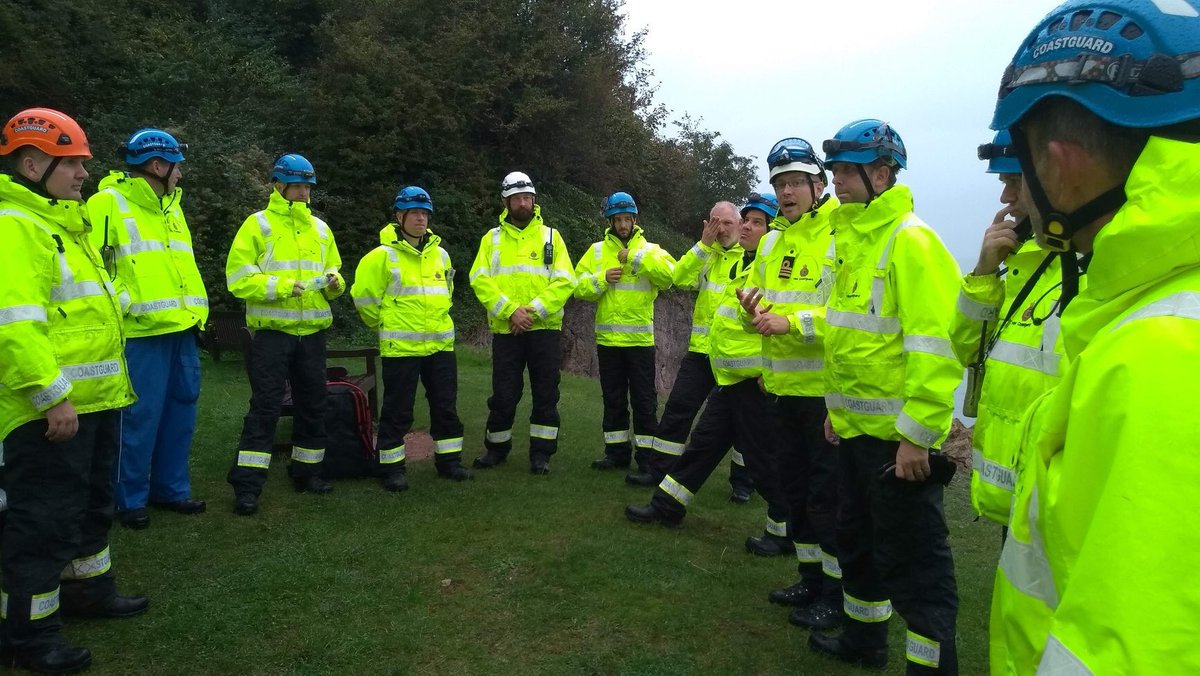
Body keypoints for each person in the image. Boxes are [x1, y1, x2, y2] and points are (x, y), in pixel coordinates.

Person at [987, 2, 1200, 672]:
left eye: (1022, 169)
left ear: (1061, 161)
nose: (1014, 199)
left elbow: (1128, 651)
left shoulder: (1160, 355)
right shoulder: (1157, 304)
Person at [808, 120, 962, 674]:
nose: (838, 183)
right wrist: (835, 410)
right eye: (837, 172)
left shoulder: (911, 241)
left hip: (899, 446)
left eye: (847, 172)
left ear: (881, 173)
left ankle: (930, 667)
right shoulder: (852, 240)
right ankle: (863, 641)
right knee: (858, 543)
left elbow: (936, 348)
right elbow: (847, 338)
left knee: (916, 566)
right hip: (853, 433)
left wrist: (917, 438)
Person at [0, 107, 148, 674]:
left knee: (89, 507)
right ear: (33, 162)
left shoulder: (65, 225)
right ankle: (29, 638)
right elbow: (14, 323)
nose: (85, 173)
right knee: (43, 522)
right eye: (74, 163)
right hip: (51, 413)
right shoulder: (17, 226)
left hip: (97, 403)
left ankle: (90, 591)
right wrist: (50, 395)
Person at [626, 194, 791, 553]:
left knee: (764, 459)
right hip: (727, 377)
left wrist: (768, 371)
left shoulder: (775, 269)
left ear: (773, 231)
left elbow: (780, 324)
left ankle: (786, 531)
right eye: (744, 220)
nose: (746, 226)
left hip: (752, 382)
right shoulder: (735, 262)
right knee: (702, 445)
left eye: (756, 222)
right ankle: (667, 506)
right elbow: (682, 281)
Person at [738, 137, 843, 626]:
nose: (787, 192)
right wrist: (752, 312)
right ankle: (809, 579)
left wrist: (792, 323)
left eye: (797, 182)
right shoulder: (774, 240)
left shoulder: (839, 235)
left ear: (818, 184)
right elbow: (760, 307)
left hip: (825, 395)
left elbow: (850, 316)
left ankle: (837, 595)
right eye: (780, 184)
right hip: (779, 390)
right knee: (795, 493)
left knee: (828, 502)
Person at [949, 129, 1075, 532]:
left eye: (1014, 182)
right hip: (1016, 498)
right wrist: (984, 272)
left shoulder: (1093, 270)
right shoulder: (1026, 265)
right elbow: (968, 350)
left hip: (1060, 502)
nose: (1005, 199)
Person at [86, 128, 208, 530]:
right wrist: (125, 303)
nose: (180, 175)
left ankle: (171, 490)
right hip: (141, 334)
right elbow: (95, 262)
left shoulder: (172, 207)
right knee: (138, 418)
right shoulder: (108, 202)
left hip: (182, 329)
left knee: (180, 413)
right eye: (177, 166)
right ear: (158, 165)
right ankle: (130, 499)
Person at [225, 153, 344, 515]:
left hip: (311, 334)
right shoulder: (257, 225)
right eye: (297, 185)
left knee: (313, 404)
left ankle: (307, 472)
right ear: (278, 185)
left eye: (308, 186)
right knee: (265, 407)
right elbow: (239, 279)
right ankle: (247, 486)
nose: (304, 192)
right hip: (273, 335)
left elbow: (333, 273)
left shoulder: (321, 229)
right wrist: (281, 287)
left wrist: (336, 284)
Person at [625, 201, 755, 503]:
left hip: (737, 358)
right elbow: (678, 279)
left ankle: (744, 483)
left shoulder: (753, 258)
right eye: (713, 222)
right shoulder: (706, 255)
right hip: (701, 353)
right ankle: (658, 471)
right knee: (677, 411)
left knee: (743, 422)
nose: (720, 229)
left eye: (726, 223)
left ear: (739, 223)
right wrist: (702, 246)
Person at [351, 186, 472, 491]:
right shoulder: (381, 257)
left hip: (440, 347)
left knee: (445, 407)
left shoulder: (441, 256)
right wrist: (385, 324)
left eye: (425, 213)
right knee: (397, 410)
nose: (421, 219)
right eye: (415, 213)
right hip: (401, 349)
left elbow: (447, 294)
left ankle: (450, 463)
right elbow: (364, 298)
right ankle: (391, 468)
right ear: (399, 216)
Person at [468, 172, 576, 475]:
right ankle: (496, 450)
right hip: (506, 329)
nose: (523, 203)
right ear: (506, 201)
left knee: (545, 393)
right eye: (516, 198)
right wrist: (510, 311)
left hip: (543, 330)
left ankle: (541, 455)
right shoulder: (492, 239)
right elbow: (479, 279)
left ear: (534, 200)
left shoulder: (552, 237)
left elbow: (565, 281)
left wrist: (532, 312)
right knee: (504, 393)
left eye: (527, 197)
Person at [573, 192, 675, 476]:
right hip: (608, 341)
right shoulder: (596, 252)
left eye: (627, 219)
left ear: (635, 219)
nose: (622, 225)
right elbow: (577, 286)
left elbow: (670, 277)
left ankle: (647, 459)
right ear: (610, 221)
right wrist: (601, 279)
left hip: (640, 341)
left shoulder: (651, 250)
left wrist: (636, 258)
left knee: (644, 401)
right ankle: (616, 454)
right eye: (617, 219)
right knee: (613, 399)